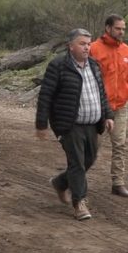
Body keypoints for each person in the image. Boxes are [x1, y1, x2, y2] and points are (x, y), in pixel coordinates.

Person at [36, 28, 115, 221]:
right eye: (82, 43)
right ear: (70, 46)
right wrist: (41, 124)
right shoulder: (58, 66)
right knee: (77, 163)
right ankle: (79, 203)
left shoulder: (94, 66)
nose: (87, 47)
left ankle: (60, 182)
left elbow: (101, 94)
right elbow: (45, 96)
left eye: (88, 44)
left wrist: (108, 115)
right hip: (69, 124)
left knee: (89, 159)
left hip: (92, 124)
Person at [90, 14, 128, 198]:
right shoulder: (94, 48)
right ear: (108, 28)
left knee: (120, 145)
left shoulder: (127, 51)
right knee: (92, 147)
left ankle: (118, 183)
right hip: (99, 108)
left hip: (120, 106)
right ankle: (76, 181)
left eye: (123, 29)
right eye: (118, 28)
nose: (121, 32)